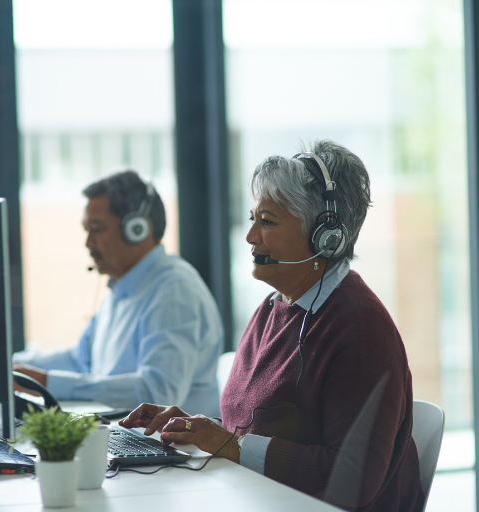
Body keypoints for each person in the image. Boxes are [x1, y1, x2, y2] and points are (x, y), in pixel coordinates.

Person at [120, 140, 424, 512]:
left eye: (268, 221)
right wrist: (197, 427)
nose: (251, 237)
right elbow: (267, 429)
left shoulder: (359, 330)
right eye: (253, 219)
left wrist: (231, 445)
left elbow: (353, 479)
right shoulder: (275, 307)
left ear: (324, 236)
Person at [13, 170, 224, 417]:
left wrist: (48, 383)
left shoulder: (174, 291)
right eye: (87, 230)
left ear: (137, 229)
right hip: (130, 441)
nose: (88, 243)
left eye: (97, 229)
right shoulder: (122, 287)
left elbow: (157, 393)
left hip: (176, 451)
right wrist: (11, 366)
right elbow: (81, 357)